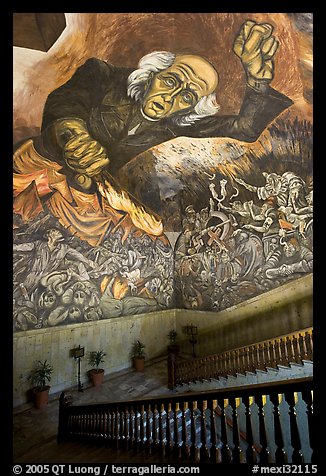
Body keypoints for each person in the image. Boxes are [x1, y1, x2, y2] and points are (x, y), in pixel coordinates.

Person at [13, 19, 293, 241]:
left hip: (91, 193)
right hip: (43, 161)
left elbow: (244, 129)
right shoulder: (102, 74)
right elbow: (67, 102)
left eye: (186, 97)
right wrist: (72, 135)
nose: (170, 99)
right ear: (155, 72)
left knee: (151, 230)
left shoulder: (179, 126)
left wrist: (257, 81)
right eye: (171, 81)